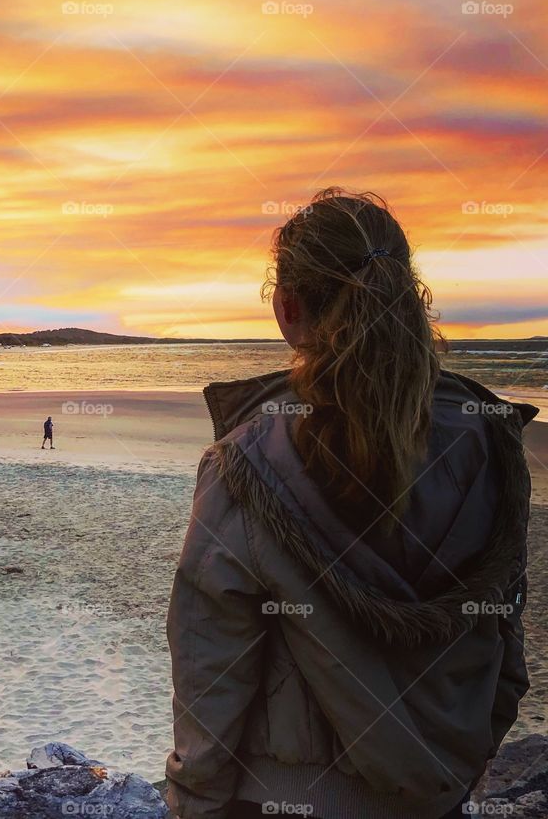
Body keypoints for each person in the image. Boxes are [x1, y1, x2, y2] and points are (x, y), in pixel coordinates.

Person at [165, 188, 535, 819]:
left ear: (287, 309)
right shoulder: (491, 442)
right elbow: (504, 637)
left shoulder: (244, 462)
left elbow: (212, 668)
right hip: (439, 792)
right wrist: (460, 759)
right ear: (411, 299)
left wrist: (193, 802)